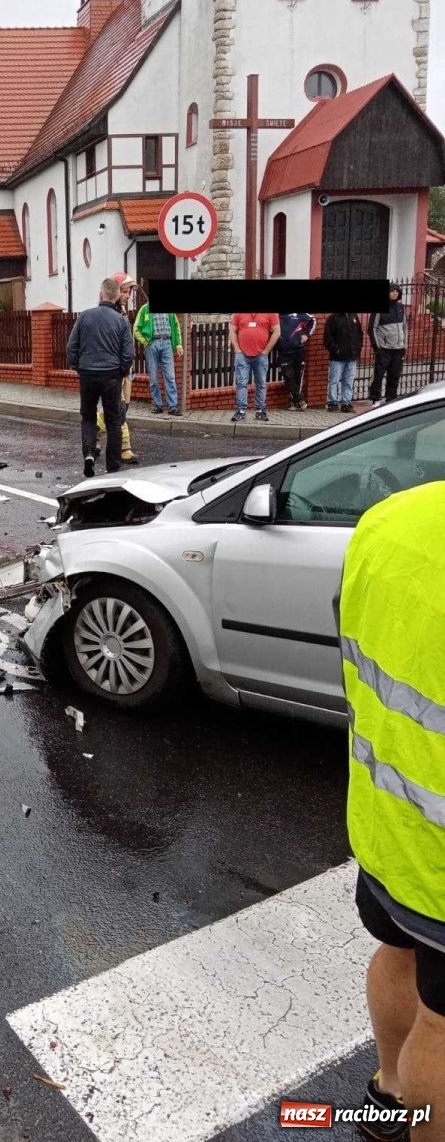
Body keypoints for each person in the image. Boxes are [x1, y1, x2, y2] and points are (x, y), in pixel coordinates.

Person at [339, 481, 445, 1141]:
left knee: (396, 954)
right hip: (439, 866)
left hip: (384, 824)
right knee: (442, 1026)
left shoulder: (390, 521)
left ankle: (387, 1095)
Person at [67, 277, 134, 478]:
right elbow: (128, 353)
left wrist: (78, 367)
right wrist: (121, 371)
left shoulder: (85, 316)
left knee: (87, 416)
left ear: (101, 294)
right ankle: (113, 467)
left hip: (87, 374)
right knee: (114, 421)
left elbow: (71, 347)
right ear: (116, 297)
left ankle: (89, 453)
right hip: (112, 375)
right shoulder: (121, 321)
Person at [95, 273, 139, 464]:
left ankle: (94, 432)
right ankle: (124, 448)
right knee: (118, 410)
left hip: (125, 371)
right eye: (125, 291)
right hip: (114, 372)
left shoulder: (121, 313)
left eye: (129, 291)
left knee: (121, 409)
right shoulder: (109, 314)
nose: (128, 295)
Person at [134, 301, 183, 417]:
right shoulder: (145, 309)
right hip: (152, 344)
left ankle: (173, 407)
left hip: (167, 343)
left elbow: (176, 327)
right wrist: (145, 342)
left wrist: (178, 345)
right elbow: (136, 328)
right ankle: (158, 405)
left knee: (170, 377)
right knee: (153, 377)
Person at [229, 312, 280, 423]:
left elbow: (277, 331)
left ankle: (260, 411)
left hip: (261, 355)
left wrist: (266, 351)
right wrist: (237, 349)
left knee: (261, 384)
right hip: (242, 355)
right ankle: (241, 411)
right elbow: (232, 330)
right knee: (241, 383)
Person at [369, 286, 407, 407]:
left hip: (398, 349)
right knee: (378, 375)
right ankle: (375, 399)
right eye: (392, 291)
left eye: (397, 292)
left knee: (395, 375)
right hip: (384, 349)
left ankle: (391, 398)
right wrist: (377, 347)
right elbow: (372, 328)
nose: (395, 293)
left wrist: (404, 345)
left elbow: (404, 327)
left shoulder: (401, 307)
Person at [323, 311, 364, 413]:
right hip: (337, 358)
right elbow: (327, 338)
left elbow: (359, 334)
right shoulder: (333, 318)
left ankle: (346, 403)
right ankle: (332, 403)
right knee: (334, 381)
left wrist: (357, 349)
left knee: (348, 381)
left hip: (351, 356)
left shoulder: (353, 316)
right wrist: (336, 350)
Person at [277, 312, 316, 411]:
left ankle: (293, 402)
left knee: (297, 377)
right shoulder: (275, 315)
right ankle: (298, 399)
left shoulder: (300, 314)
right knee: (287, 375)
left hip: (298, 350)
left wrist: (307, 335)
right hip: (283, 351)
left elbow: (313, 320)